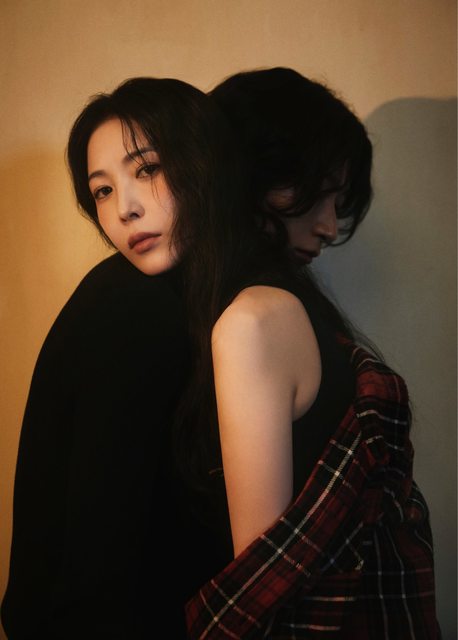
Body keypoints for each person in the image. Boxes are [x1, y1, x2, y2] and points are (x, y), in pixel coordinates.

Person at [64, 74, 438, 639]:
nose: (330, 225)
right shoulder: (174, 306)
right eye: (102, 191)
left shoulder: (253, 317)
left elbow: (260, 598)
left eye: (147, 169)